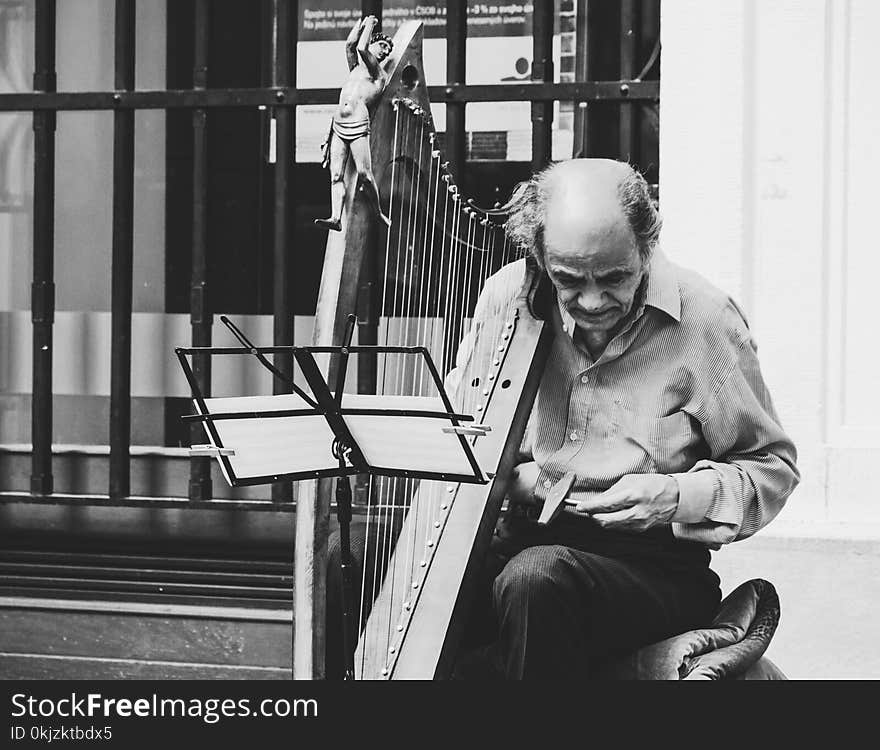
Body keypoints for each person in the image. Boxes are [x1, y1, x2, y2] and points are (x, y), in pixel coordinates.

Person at [325, 158, 800, 680]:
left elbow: (771, 469)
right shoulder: (510, 299)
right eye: (569, 280)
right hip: (512, 539)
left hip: (649, 568)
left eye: (615, 277)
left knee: (536, 581)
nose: (592, 300)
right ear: (539, 255)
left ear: (646, 246)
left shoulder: (705, 321)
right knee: (348, 562)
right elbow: (460, 438)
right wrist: (513, 482)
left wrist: (674, 496)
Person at [315, 15, 393, 232]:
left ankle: (377, 212)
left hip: (358, 121)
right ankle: (336, 217)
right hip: (339, 122)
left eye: (388, 50)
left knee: (365, 175)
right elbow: (350, 45)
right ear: (374, 42)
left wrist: (370, 25)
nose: (385, 52)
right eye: (383, 46)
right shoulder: (355, 70)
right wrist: (360, 24)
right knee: (336, 175)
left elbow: (360, 48)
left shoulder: (379, 74)